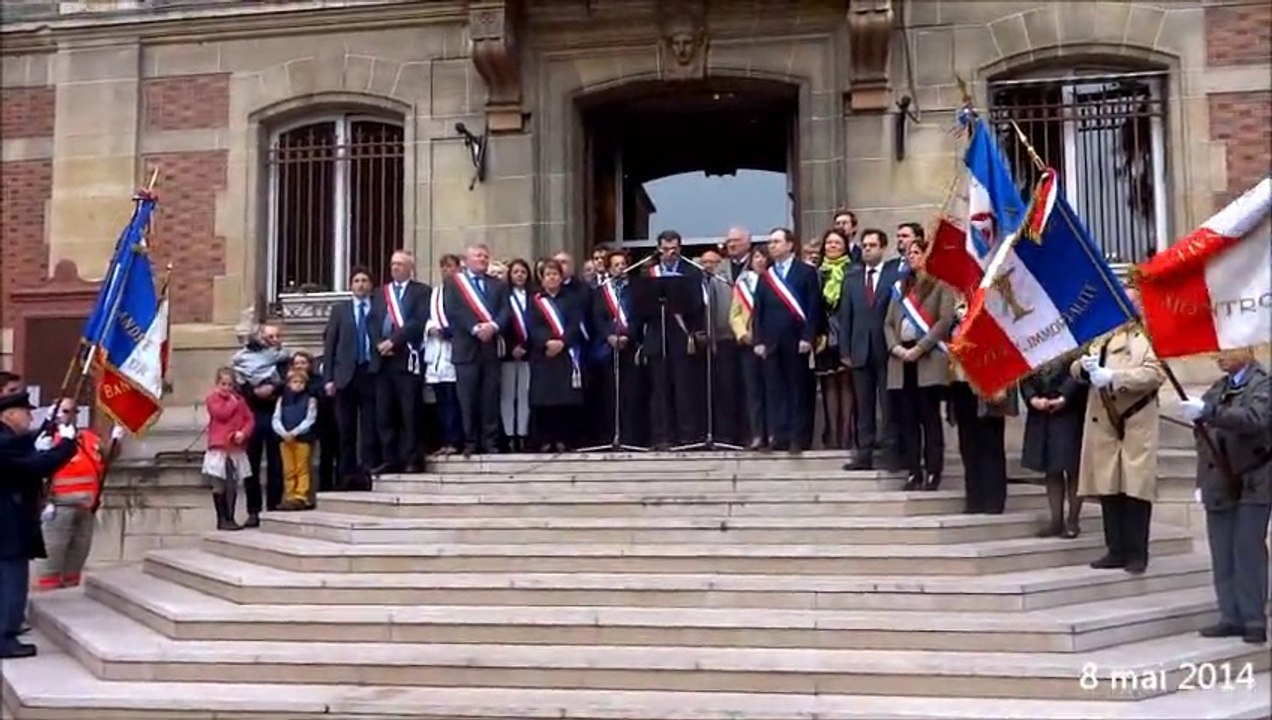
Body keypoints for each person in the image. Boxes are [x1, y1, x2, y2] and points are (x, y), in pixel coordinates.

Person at [1072, 289, 1165, 575]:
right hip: (1104, 419)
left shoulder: (1148, 336)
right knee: (1108, 486)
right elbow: (1075, 366)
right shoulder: (1102, 334)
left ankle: (1137, 553)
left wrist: (1115, 377)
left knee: (1136, 488)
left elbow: (1155, 373)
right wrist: (1085, 370)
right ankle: (1115, 549)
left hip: (1136, 419)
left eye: (1131, 301)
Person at [1182, 348, 1270, 645]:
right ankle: (1230, 616)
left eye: (1225, 350)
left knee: (1248, 549)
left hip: (1254, 478)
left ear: (1246, 350)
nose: (1217, 357)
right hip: (1219, 478)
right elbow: (1203, 438)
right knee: (1222, 551)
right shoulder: (1218, 388)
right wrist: (1201, 480)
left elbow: (1255, 419)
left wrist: (1211, 412)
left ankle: (1254, 619)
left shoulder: (1264, 384)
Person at [0, 390, 78, 659]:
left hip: (10, 521)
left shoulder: (7, 438)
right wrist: (66, 445)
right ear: (9, 415)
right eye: (26, 412)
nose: (30, 416)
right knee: (11, 582)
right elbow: (36, 466)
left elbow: (25, 445)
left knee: (10, 579)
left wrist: (48, 428)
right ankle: (5, 638)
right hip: (7, 524)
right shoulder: (3, 442)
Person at [883, 238, 955, 490]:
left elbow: (944, 321)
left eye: (916, 252)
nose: (911, 256)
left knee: (929, 419)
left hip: (928, 360)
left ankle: (933, 470)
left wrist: (920, 348)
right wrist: (896, 347)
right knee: (907, 420)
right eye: (908, 252)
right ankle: (914, 471)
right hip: (902, 362)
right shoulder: (900, 286)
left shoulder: (940, 285)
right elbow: (888, 323)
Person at [35, 398, 121, 591]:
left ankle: (69, 591)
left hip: (86, 507)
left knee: (77, 558)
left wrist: (116, 441)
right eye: (65, 411)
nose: (69, 415)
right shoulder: (48, 439)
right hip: (58, 507)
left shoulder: (88, 438)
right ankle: (49, 598)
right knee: (52, 560)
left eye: (73, 411)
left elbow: (106, 459)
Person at [838, 229, 905, 470]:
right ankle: (863, 452)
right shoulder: (852, 278)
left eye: (872, 245)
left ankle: (891, 452)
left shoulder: (893, 276)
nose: (867, 249)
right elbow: (845, 317)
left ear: (882, 248)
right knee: (863, 405)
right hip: (859, 350)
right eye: (865, 245)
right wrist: (845, 350)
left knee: (888, 404)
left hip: (886, 350)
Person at [752, 227, 821, 454]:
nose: (771, 246)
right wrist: (759, 341)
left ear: (790, 245)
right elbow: (758, 312)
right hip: (771, 343)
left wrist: (808, 337)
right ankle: (778, 436)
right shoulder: (766, 276)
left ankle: (797, 438)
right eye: (770, 242)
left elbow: (813, 308)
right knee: (775, 391)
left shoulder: (805, 272)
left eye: (776, 242)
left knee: (797, 390)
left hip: (796, 341)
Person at [639, 229, 705, 448]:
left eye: (674, 249)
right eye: (665, 249)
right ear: (658, 250)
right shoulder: (649, 274)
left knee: (683, 389)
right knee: (659, 390)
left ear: (680, 249)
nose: (669, 253)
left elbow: (697, 304)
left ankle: (686, 435)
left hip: (681, 336)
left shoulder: (691, 273)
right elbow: (640, 308)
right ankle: (661, 436)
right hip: (657, 337)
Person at [446, 243, 511, 456]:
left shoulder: (498, 285)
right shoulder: (454, 284)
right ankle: (471, 441)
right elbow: (453, 311)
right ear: (467, 260)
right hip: (466, 349)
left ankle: (490, 441)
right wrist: (474, 329)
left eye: (485, 256)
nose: (482, 259)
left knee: (490, 398)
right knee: (467, 399)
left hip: (490, 348)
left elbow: (505, 310)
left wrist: (493, 326)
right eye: (478, 256)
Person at [369, 249, 430, 473]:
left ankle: (413, 458)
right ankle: (390, 458)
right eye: (393, 264)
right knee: (385, 413)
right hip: (383, 361)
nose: (395, 268)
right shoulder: (380, 293)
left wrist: (393, 341)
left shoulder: (421, 292)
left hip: (406, 358)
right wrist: (379, 343)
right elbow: (372, 321)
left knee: (410, 412)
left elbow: (417, 322)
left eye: (400, 265)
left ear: (410, 268)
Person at [322, 266, 379, 488]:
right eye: (357, 280)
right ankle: (346, 475)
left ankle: (367, 472)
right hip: (345, 375)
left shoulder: (377, 308)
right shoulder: (340, 310)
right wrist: (329, 378)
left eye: (365, 280)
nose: (361, 284)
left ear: (371, 285)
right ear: (351, 285)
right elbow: (330, 346)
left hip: (370, 372)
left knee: (369, 427)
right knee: (345, 429)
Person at [1021, 359, 1088, 536]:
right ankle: (1055, 521)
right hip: (1041, 413)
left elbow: (1079, 372)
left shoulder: (1073, 341)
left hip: (1069, 413)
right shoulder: (1032, 342)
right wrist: (1032, 397)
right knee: (1051, 469)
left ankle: (1073, 521)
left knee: (1072, 467)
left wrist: (1064, 396)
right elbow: (1023, 373)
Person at [232, 323, 290, 520]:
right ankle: (253, 511)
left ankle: (274, 507)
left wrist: (274, 388)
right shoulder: (244, 359)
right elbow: (239, 385)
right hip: (252, 415)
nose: (275, 340)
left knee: (277, 463)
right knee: (251, 465)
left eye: (277, 336)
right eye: (270, 337)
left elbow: (290, 382)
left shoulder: (283, 358)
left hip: (276, 414)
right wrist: (254, 391)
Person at [528, 260, 585, 452]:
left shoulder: (571, 299)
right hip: (544, 356)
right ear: (542, 279)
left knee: (564, 400)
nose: (552, 278)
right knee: (544, 400)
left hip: (565, 354)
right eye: (548, 275)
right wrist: (546, 342)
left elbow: (575, 324)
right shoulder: (535, 300)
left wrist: (562, 342)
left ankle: (563, 439)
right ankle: (545, 439)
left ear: (561, 277)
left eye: (555, 274)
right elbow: (533, 326)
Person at [593, 250, 644, 447]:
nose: (621, 268)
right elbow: (597, 317)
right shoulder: (601, 291)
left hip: (630, 347)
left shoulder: (635, 290)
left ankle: (630, 436)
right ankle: (610, 436)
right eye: (616, 265)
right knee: (609, 395)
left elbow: (638, 316)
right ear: (608, 268)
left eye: (623, 264)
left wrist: (628, 335)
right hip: (609, 348)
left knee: (630, 394)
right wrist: (609, 335)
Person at [815, 228, 855, 450]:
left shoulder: (852, 270)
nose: (832, 246)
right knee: (828, 383)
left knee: (846, 383)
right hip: (824, 333)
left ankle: (847, 434)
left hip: (846, 332)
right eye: (828, 243)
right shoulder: (817, 272)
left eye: (837, 243)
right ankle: (832, 432)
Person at [698, 248, 742, 445]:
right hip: (700, 345)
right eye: (704, 262)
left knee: (727, 389)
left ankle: (729, 434)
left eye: (712, 262)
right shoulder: (697, 284)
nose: (708, 266)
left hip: (724, 342)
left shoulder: (724, 283)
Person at [203, 367, 254, 530]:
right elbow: (221, 414)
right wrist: (232, 402)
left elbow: (249, 419)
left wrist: (243, 433)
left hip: (235, 447)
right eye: (223, 384)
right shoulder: (213, 400)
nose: (226, 388)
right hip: (220, 447)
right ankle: (221, 517)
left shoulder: (240, 401)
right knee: (219, 484)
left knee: (233, 483)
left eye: (230, 385)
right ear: (217, 384)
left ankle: (230, 517)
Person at [730, 246, 770, 449]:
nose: (759, 260)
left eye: (763, 257)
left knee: (772, 390)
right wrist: (742, 334)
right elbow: (734, 313)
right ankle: (757, 435)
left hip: (771, 344)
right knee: (753, 391)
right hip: (749, 343)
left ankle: (773, 433)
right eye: (756, 256)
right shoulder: (743, 281)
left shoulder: (775, 279)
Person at [424, 254, 464, 456]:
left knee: (454, 400)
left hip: (455, 351)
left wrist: (450, 331)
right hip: (436, 352)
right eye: (443, 267)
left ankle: (455, 440)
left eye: (450, 266)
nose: (447, 271)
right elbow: (429, 318)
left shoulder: (464, 293)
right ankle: (444, 440)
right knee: (440, 400)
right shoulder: (435, 294)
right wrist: (431, 329)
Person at [272, 369, 318, 511]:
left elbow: (310, 419)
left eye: (301, 382)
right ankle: (289, 495)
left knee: (301, 468)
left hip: (302, 439)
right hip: (285, 439)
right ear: (288, 384)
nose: (298, 385)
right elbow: (276, 418)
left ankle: (301, 495)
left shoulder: (310, 399)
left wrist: (295, 432)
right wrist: (282, 432)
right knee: (288, 469)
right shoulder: (282, 400)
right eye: (295, 382)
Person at [501, 259, 534, 451]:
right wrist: (511, 347)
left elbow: (537, 324)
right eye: (516, 272)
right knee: (507, 395)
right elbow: (502, 324)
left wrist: (526, 347)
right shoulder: (504, 296)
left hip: (528, 352)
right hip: (507, 352)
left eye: (523, 272)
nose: (520, 275)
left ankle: (522, 434)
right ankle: (508, 435)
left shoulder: (533, 296)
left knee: (524, 394)